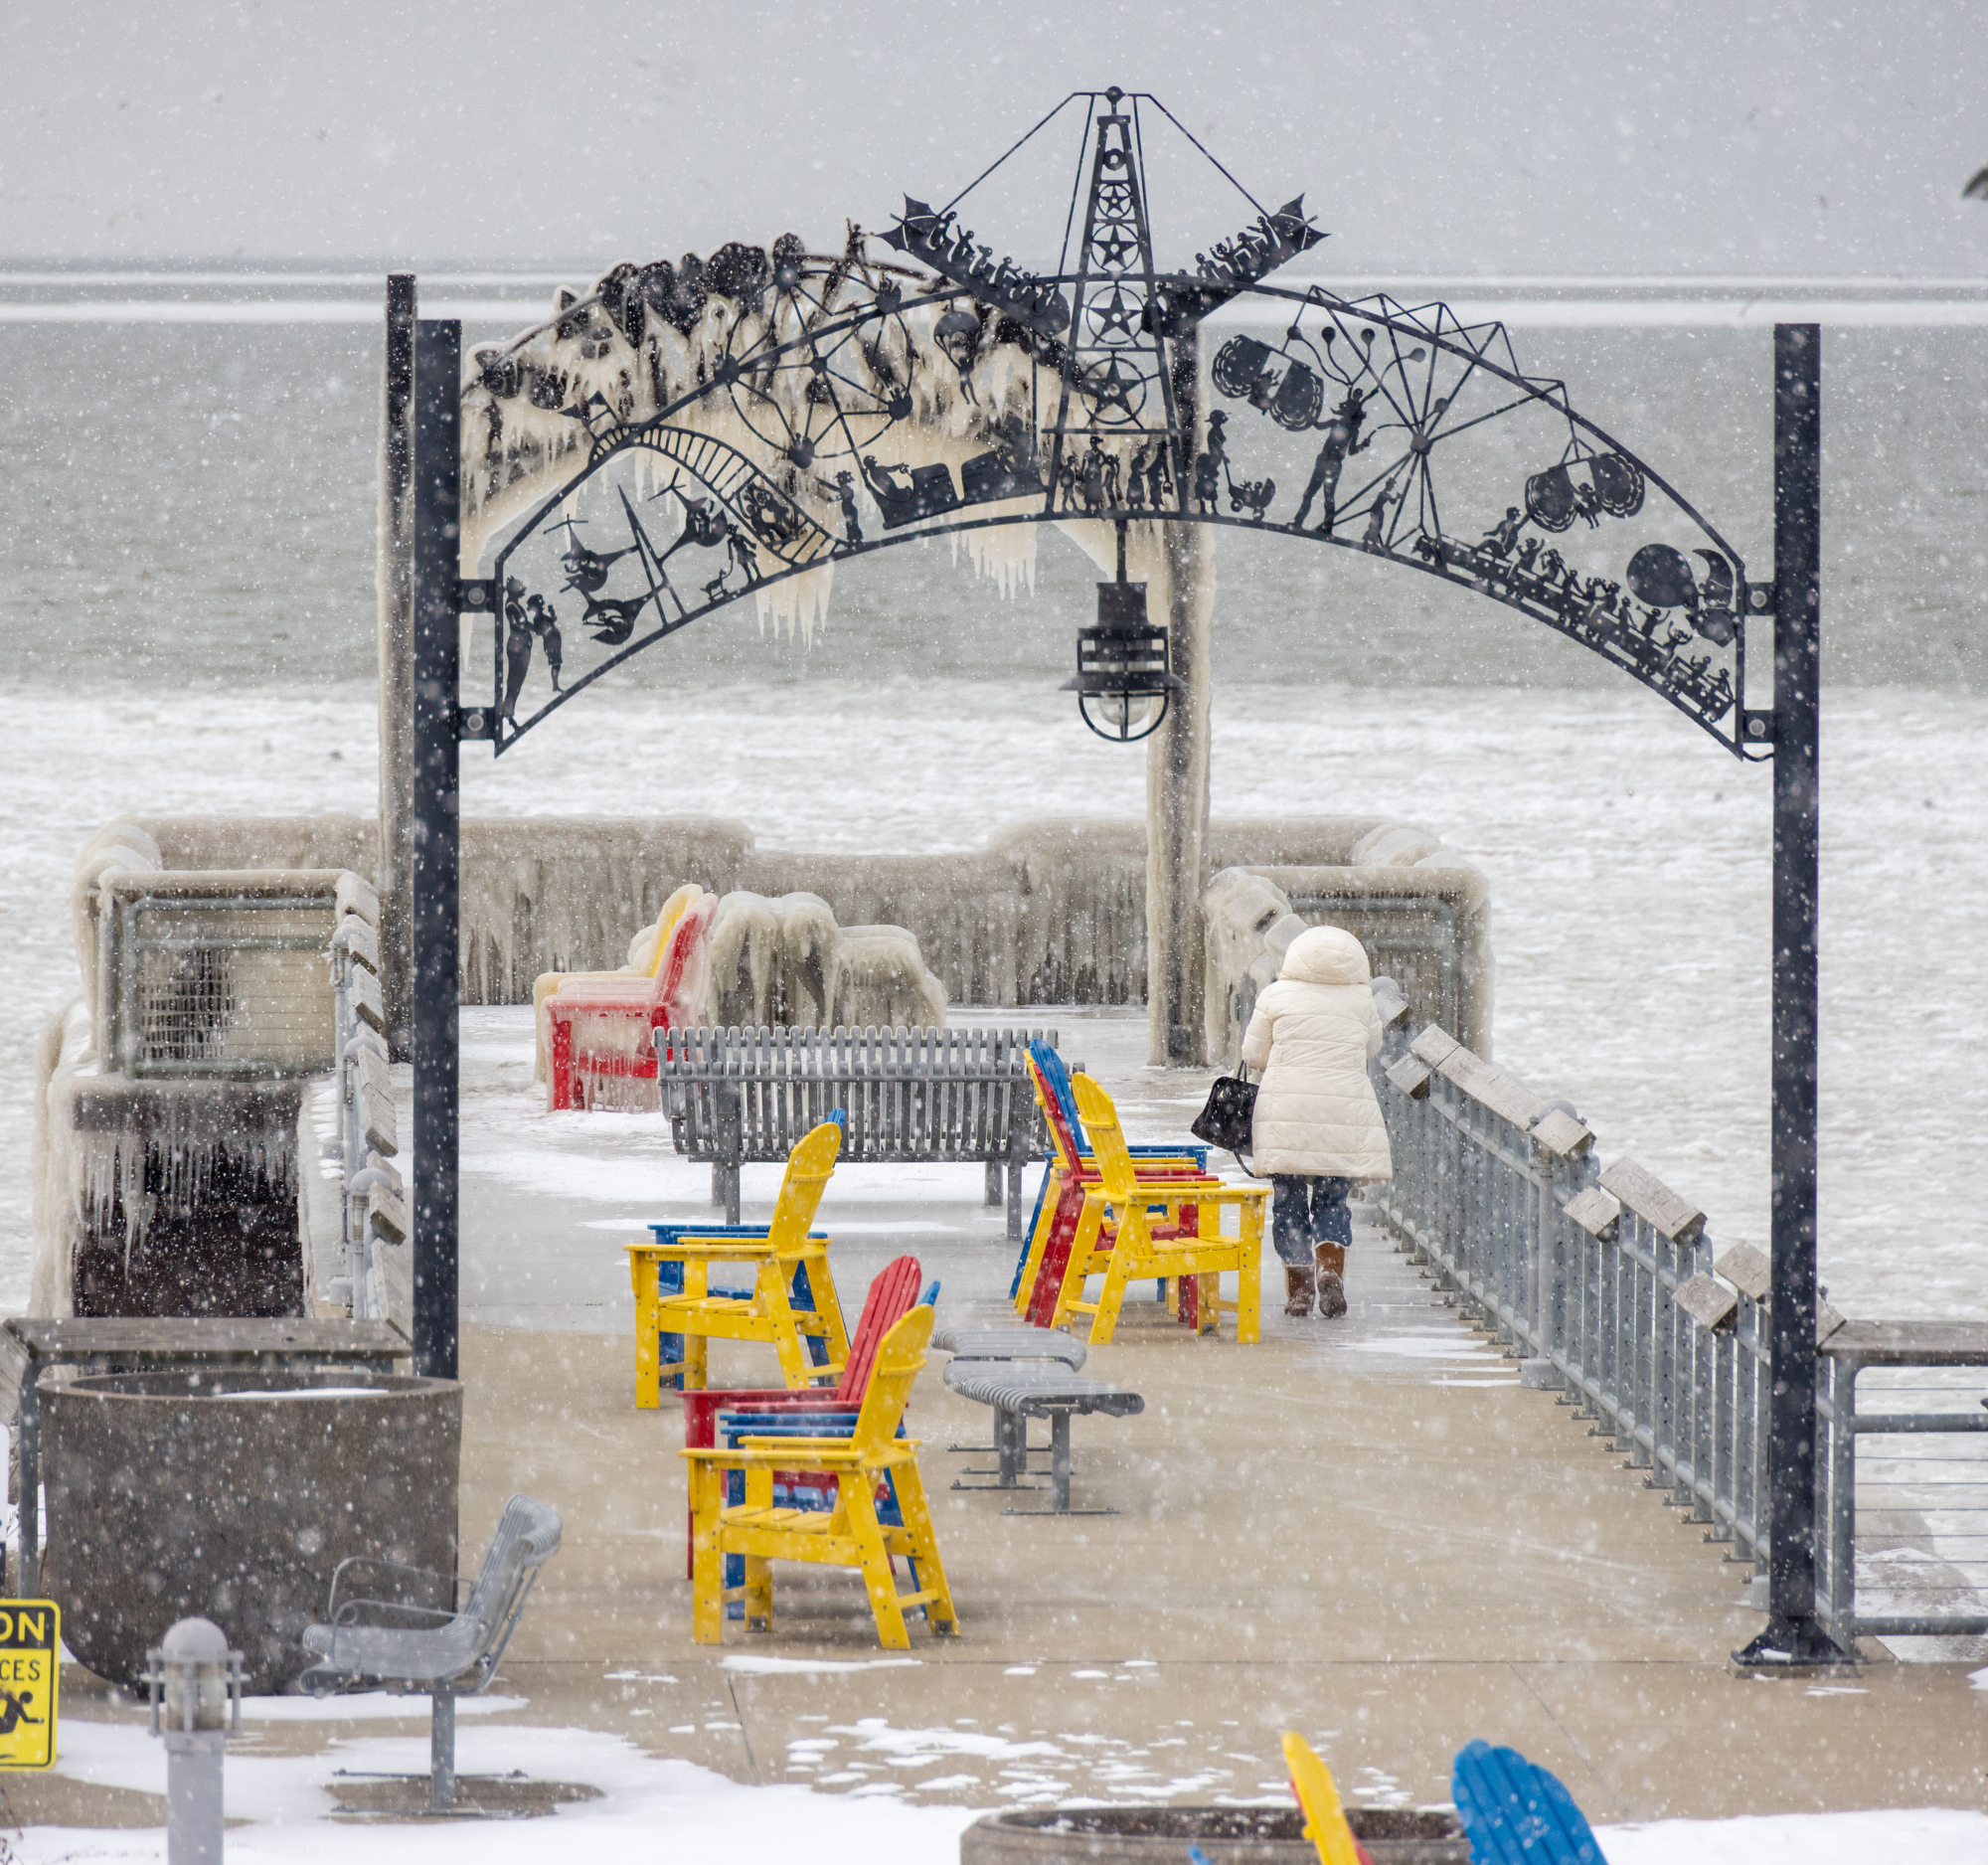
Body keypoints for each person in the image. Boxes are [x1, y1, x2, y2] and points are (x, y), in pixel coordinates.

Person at [1237, 926, 1393, 1318]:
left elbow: (1253, 1054)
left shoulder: (1275, 994)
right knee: (1333, 1200)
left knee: (1288, 1203)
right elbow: (1374, 1045)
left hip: (1286, 1113)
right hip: (1341, 1114)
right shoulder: (1361, 999)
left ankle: (1300, 1288)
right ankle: (1329, 1268)